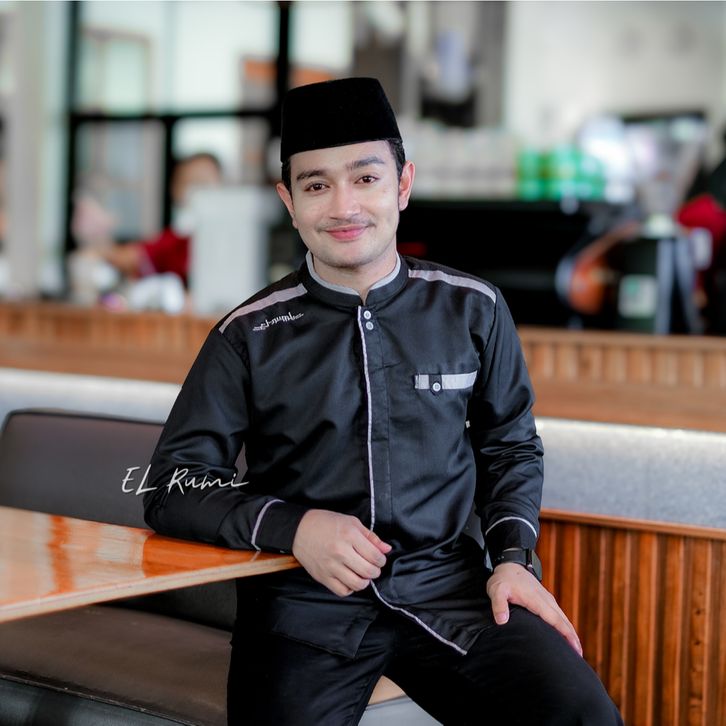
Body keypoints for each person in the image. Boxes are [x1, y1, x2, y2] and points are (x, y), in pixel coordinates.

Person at [143, 78, 623, 725]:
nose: (343, 205)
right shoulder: (247, 334)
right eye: (316, 185)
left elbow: (509, 448)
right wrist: (296, 528)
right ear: (289, 202)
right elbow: (172, 486)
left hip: (450, 588)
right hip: (303, 600)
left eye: (365, 178)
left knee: (582, 714)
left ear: (403, 184)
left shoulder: (474, 308)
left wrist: (514, 561)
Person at [74, 152, 222, 287]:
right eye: (187, 183)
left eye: (202, 183)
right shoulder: (176, 241)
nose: (195, 192)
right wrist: (98, 249)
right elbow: (134, 256)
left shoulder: (225, 241)